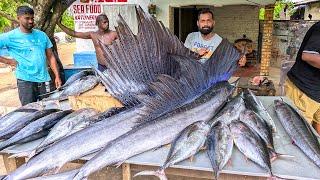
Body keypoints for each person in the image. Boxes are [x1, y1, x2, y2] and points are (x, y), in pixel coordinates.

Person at [0, 6, 62, 106]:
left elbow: (50, 56)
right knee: (29, 112)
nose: (30, 21)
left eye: (32, 18)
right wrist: (8, 61)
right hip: (25, 81)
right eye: (27, 18)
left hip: (44, 79)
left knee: (49, 109)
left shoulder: (42, 35)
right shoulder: (9, 37)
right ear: (18, 18)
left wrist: (57, 76)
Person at [286, 21, 320, 134]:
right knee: (297, 135)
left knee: (315, 132)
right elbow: (308, 56)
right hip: (305, 90)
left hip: (316, 94)